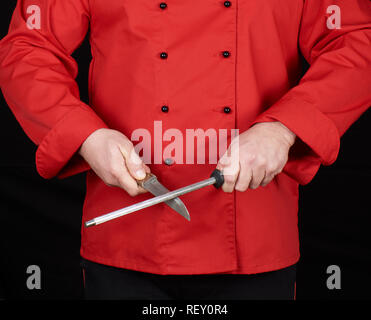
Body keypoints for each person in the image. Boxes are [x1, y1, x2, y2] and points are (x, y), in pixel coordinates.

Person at [0, 0, 370, 300]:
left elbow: (356, 41)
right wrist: (86, 137)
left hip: (255, 231)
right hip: (126, 231)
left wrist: (285, 129)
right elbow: (30, 48)